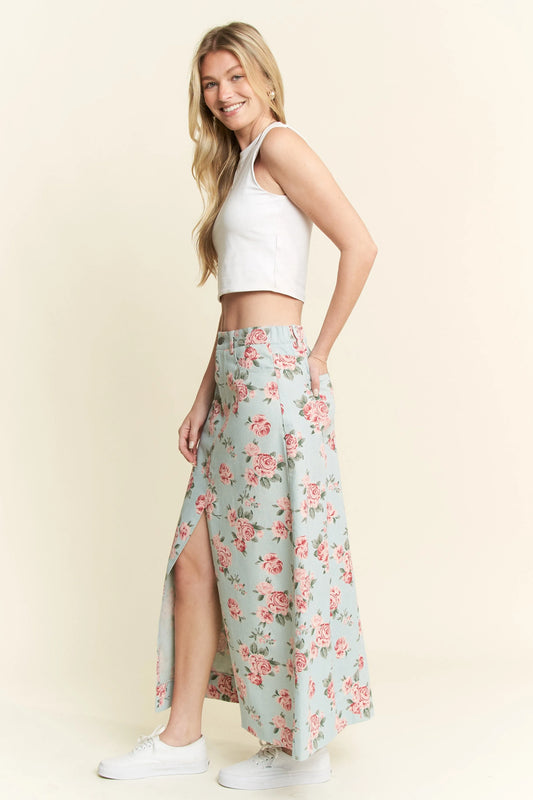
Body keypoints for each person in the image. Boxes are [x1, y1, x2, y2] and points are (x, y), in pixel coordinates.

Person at [97, 20, 378, 790]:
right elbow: (232, 307)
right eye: (209, 85)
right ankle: (181, 737)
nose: (222, 95)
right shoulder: (240, 166)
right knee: (196, 560)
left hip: (273, 378)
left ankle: (299, 751)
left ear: (264, 77)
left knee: (277, 561)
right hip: (234, 378)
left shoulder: (281, 146)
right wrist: (203, 397)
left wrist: (315, 355)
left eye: (233, 78)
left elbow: (359, 244)